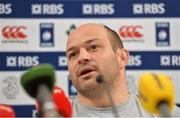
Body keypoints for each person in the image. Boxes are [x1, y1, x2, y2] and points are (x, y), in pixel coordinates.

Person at [66, 23, 180, 117]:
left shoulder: (166, 114)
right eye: (73, 54)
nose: (81, 58)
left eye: (93, 47)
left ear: (122, 57)